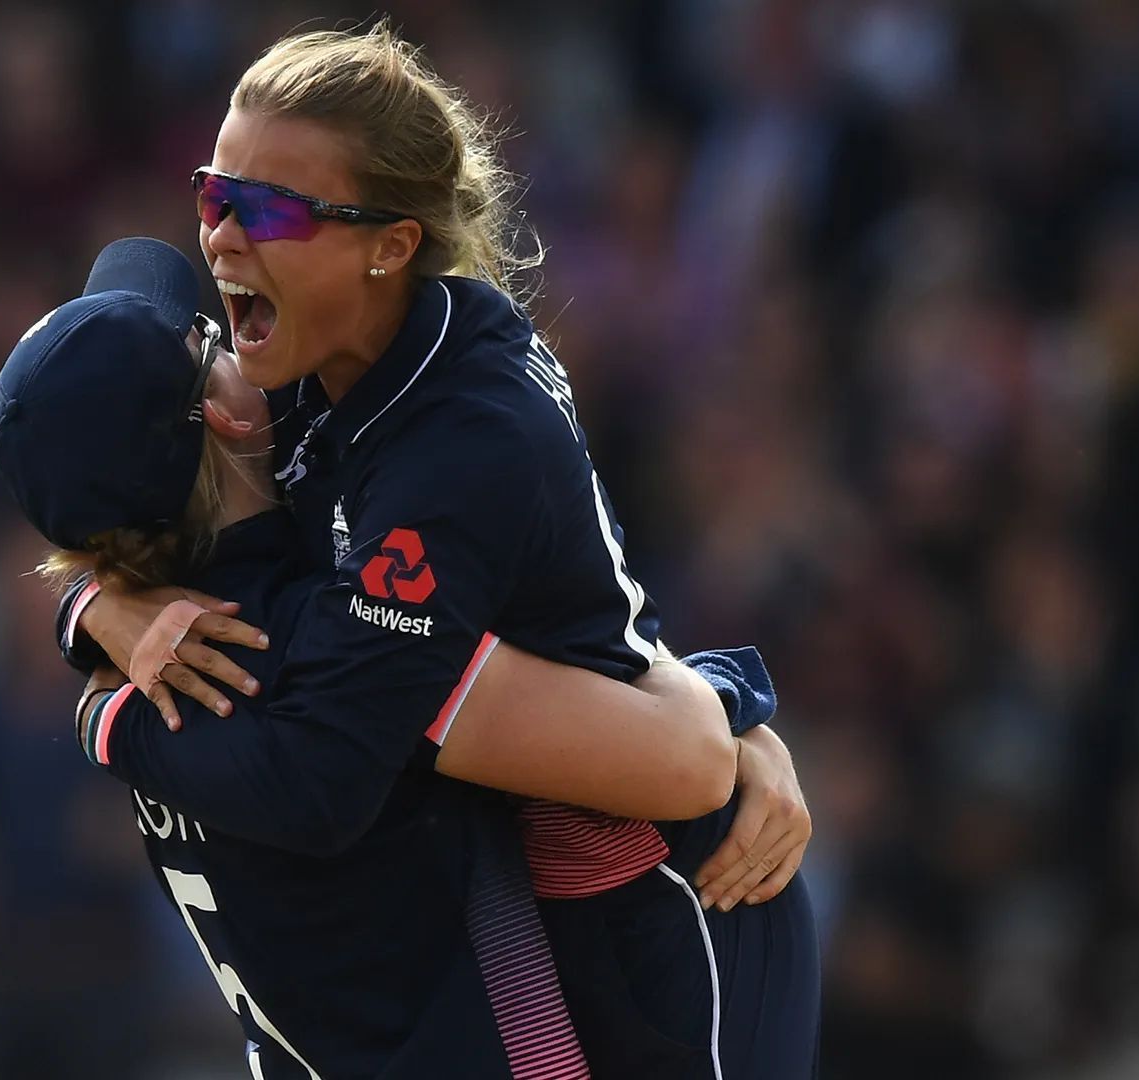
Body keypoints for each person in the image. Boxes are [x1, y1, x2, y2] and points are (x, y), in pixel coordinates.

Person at [57, 25, 819, 1079]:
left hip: (676, 899)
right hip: (542, 874)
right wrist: (97, 610)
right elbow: (112, 485)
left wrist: (103, 707)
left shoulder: (462, 437)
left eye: (268, 209)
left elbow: (327, 759)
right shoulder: (309, 358)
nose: (222, 239)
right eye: (212, 194)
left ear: (390, 244)